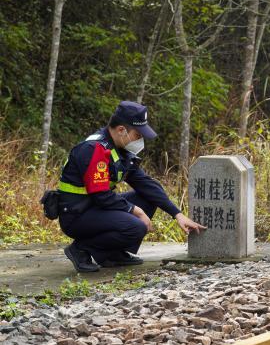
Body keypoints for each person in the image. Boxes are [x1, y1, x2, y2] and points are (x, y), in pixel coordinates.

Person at [57, 101, 206, 272]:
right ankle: (81, 249)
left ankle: (112, 253)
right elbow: (101, 196)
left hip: (94, 207)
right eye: (138, 135)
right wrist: (137, 211)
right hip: (76, 215)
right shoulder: (94, 149)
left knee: (148, 198)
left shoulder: (119, 149)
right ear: (121, 130)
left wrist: (177, 214)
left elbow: (147, 185)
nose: (140, 140)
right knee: (136, 226)